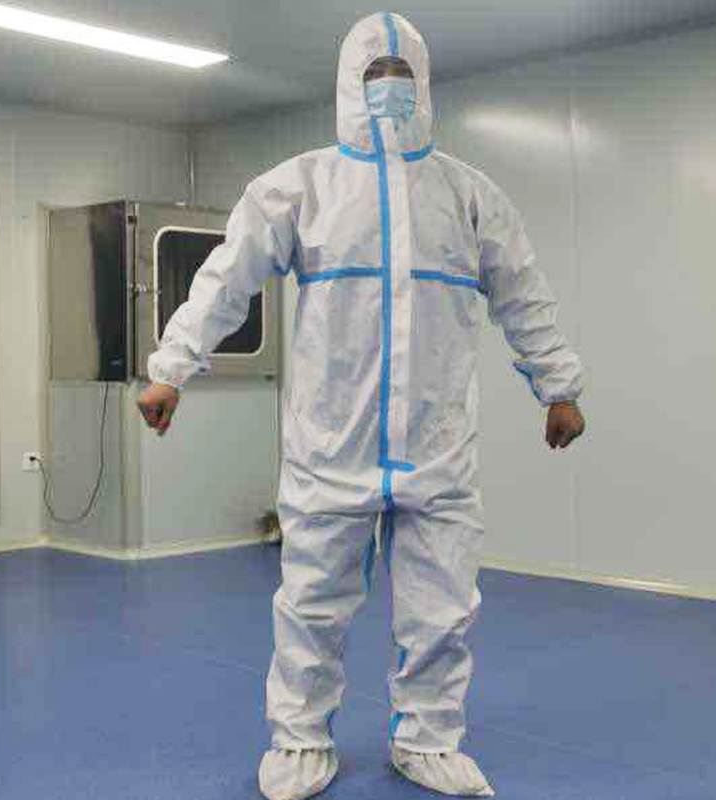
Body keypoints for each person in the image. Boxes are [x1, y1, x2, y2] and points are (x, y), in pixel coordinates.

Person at [138, 12, 585, 800]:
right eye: (376, 77)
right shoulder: (300, 187)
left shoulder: (468, 196)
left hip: (437, 446)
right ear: (350, 85)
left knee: (443, 608)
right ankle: (300, 740)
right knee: (311, 604)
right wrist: (172, 368)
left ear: (425, 85)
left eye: (401, 77)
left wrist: (559, 386)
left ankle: (429, 741)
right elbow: (226, 280)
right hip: (331, 445)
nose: (389, 91)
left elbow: (523, 293)